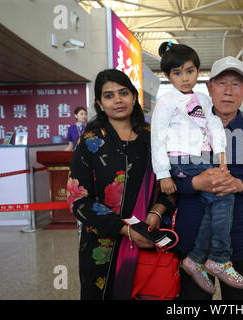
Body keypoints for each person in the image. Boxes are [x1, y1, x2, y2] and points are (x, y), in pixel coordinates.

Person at [68, 69, 176, 300]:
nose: (117, 100)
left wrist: (157, 212)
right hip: (101, 245)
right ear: (99, 103)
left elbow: (169, 185)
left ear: (134, 96)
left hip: (148, 238)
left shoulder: (153, 137)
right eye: (109, 95)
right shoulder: (90, 142)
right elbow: (78, 200)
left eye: (123, 93)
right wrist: (125, 230)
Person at [151, 42, 243, 295]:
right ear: (168, 76)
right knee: (223, 197)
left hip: (204, 158)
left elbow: (214, 127)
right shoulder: (166, 101)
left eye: (190, 71)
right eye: (177, 73)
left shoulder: (203, 99)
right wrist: (163, 174)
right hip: (181, 160)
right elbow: (157, 137)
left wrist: (222, 158)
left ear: (198, 72)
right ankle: (218, 258)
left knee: (213, 204)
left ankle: (196, 259)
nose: (185, 78)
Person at [173, 56, 243, 300]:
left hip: (239, 241)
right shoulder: (186, 131)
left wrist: (238, 184)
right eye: (221, 83)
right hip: (192, 241)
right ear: (209, 88)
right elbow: (169, 181)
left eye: (236, 84)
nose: (228, 91)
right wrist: (197, 182)